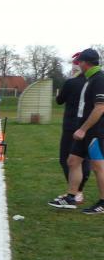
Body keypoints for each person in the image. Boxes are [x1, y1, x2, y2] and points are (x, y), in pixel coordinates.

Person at [48, 48, 104, 213]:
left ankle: (103, 203)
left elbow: (100, 107)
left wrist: (83, 129)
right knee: (73, 161)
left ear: (85, 63)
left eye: (79, 62)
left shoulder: (99, 79)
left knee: (98, 166)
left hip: (95, 131)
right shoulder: (89, 79)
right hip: (84, 130)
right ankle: (71, 197)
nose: (77, 65)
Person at [54, 52, 90, 203]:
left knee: (66, 159)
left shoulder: (72, 82)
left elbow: (59, 100)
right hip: (89, 125)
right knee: (85, 159)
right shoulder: (94, 82)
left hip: (71, 126)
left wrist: (69, 81)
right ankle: (78, 192)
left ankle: (75, 192)